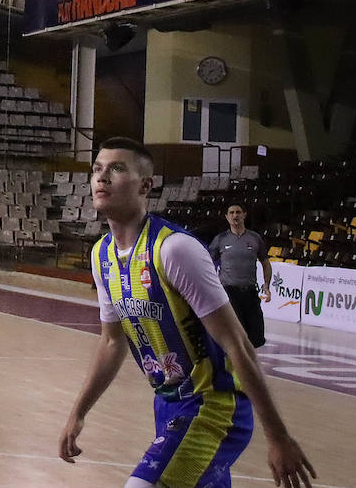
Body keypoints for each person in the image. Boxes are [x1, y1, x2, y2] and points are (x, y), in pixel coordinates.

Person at [59, 137, 315, 488]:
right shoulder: (101, 254)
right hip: (168, 403)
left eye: (117, 169)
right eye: (97, 169)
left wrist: (278, 437)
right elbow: (111, 342)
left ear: (146, 185)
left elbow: (238, 345)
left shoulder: (174, 249)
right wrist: (78, 412)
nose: (102, 177)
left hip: (214, 405)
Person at [209, 203, 272, 349]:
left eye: (238, 212)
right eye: (231, 213)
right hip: (229, 291)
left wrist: (267, 286)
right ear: (227, 217)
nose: (235, 215)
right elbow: (207, 262)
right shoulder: (221, 239)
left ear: (244, 215)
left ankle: (251, 363)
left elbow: (266, 263)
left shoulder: (255, 238)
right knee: (237, 333)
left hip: (250, 291)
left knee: (256, 335)